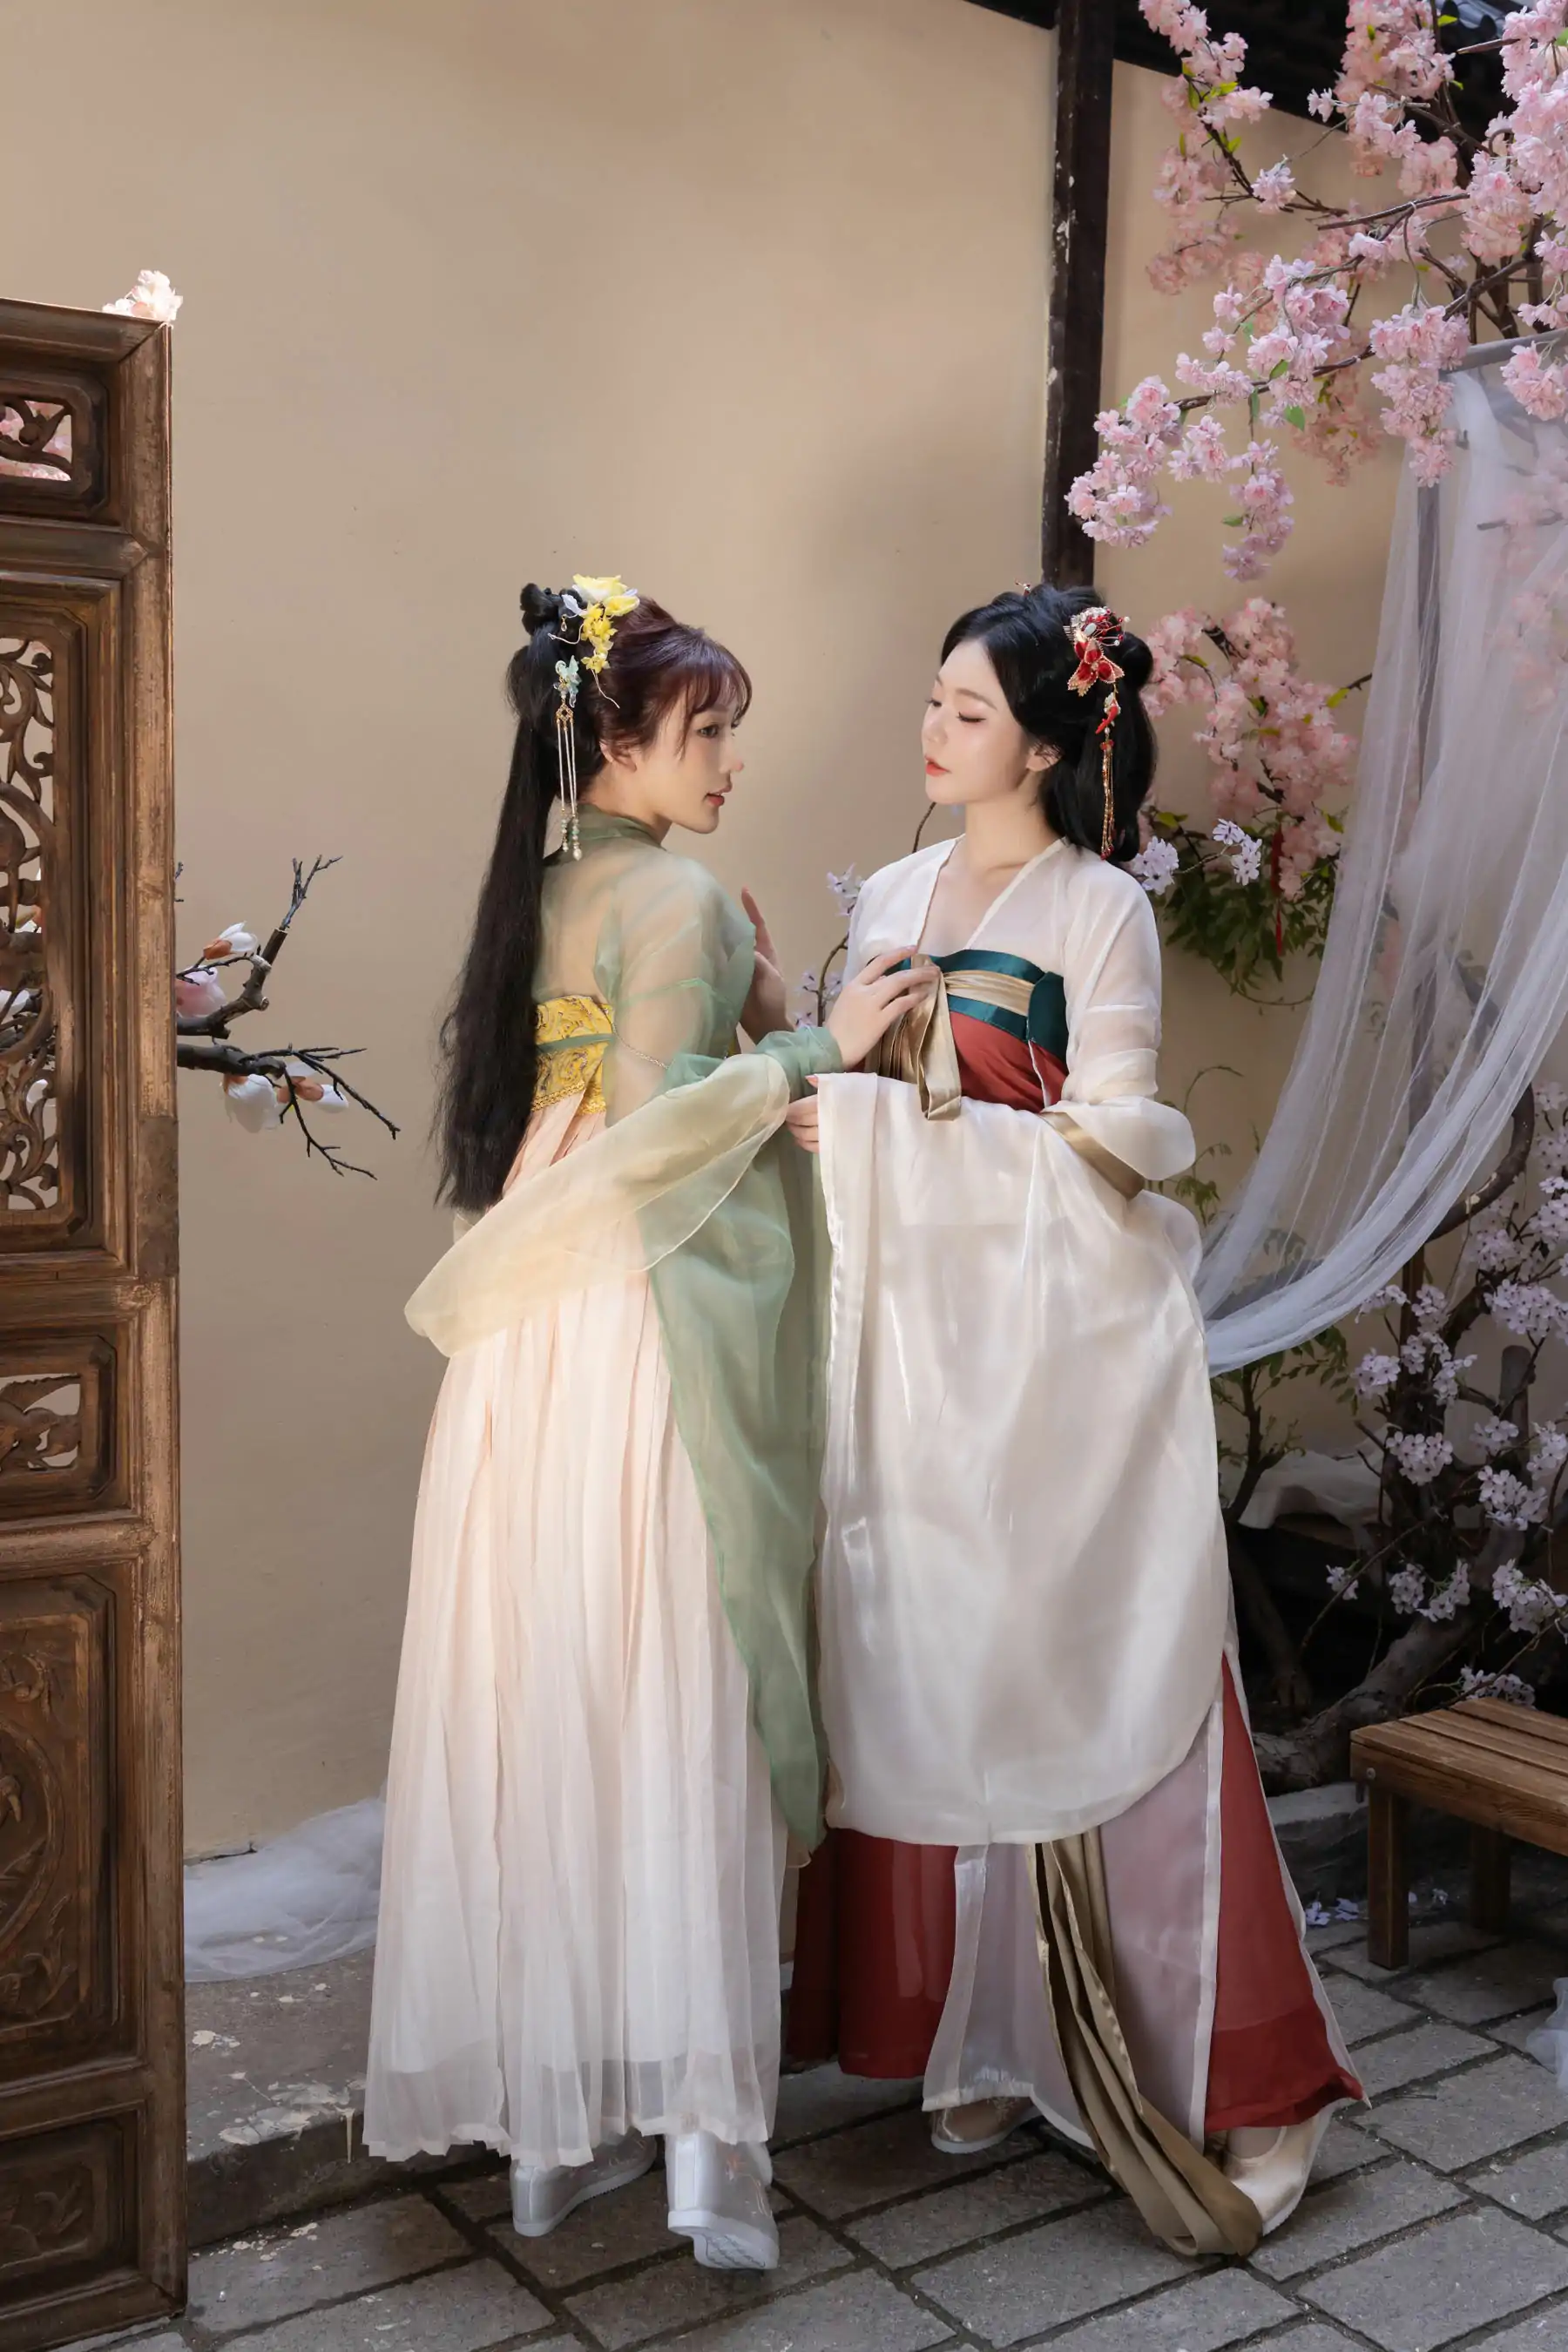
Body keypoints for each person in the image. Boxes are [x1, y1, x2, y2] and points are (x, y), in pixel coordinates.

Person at [785, 583, 1361, 2256]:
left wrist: (875, 1130)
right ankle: (979, 2030)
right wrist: (829, 1080)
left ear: (1045, 744)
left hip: (1058, 1351)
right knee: (924, 1668)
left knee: (1093, 1676)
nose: (934, 729)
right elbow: (849, 1088)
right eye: (934, 699)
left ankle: (1250, 2082)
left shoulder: (1102, 910)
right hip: (916, 1351)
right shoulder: (892, 891)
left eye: (967, 710)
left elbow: (1117, 1140)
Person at [364, 577, 928, 2272]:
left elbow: (597, 1105)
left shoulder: (548, 888)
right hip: (633, 1324)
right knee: (673, 1683)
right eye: (707, 731)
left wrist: (759, 1002)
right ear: (613, 742)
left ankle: (565, 2133)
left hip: (529, 1326)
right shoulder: (673, 895)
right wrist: (821, 1043)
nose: (731, 761)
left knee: (563, 1692)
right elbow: (663, 1131)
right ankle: (699, 2147)